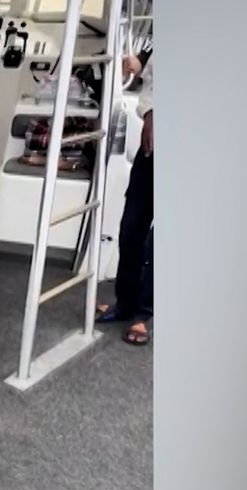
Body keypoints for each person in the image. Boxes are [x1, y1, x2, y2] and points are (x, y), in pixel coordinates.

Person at [97, 50, 153, 346]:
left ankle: (143, 315)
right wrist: (136, 64)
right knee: (132, 226)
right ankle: (126, 302)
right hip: (153, 143)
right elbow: (150, 68)